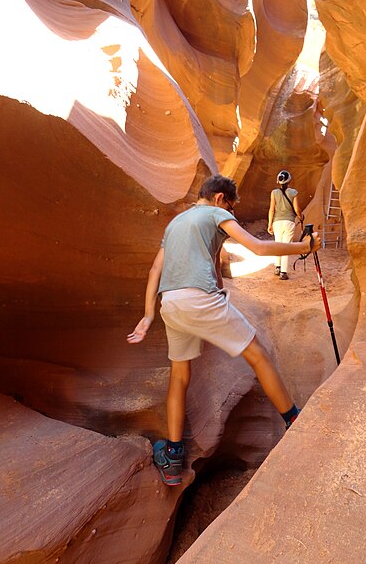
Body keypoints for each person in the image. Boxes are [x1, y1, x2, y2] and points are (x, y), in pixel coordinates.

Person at [127, 174, 320, 486]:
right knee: (258, 355)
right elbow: (256, 247)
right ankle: (294, 420)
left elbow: (156, 270)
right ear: (219, 198)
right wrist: (303, 247)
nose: (231, 212)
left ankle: (173, 457)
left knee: (179, 377)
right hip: (198, 300)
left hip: (171, 305)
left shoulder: (176, 224)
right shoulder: (217, 214)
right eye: (230, 206)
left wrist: (148, 316)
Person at [267, 170, 304, 280]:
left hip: (277, 222)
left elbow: (271, 209)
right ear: (289, 181)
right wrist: (301, 216)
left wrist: (270, 223)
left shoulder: (274, 193)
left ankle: (277, 267)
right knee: (286, 246)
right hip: (289, 222)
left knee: (278, 244)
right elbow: (297, 209)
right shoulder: (293, 193)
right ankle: (283, 272)